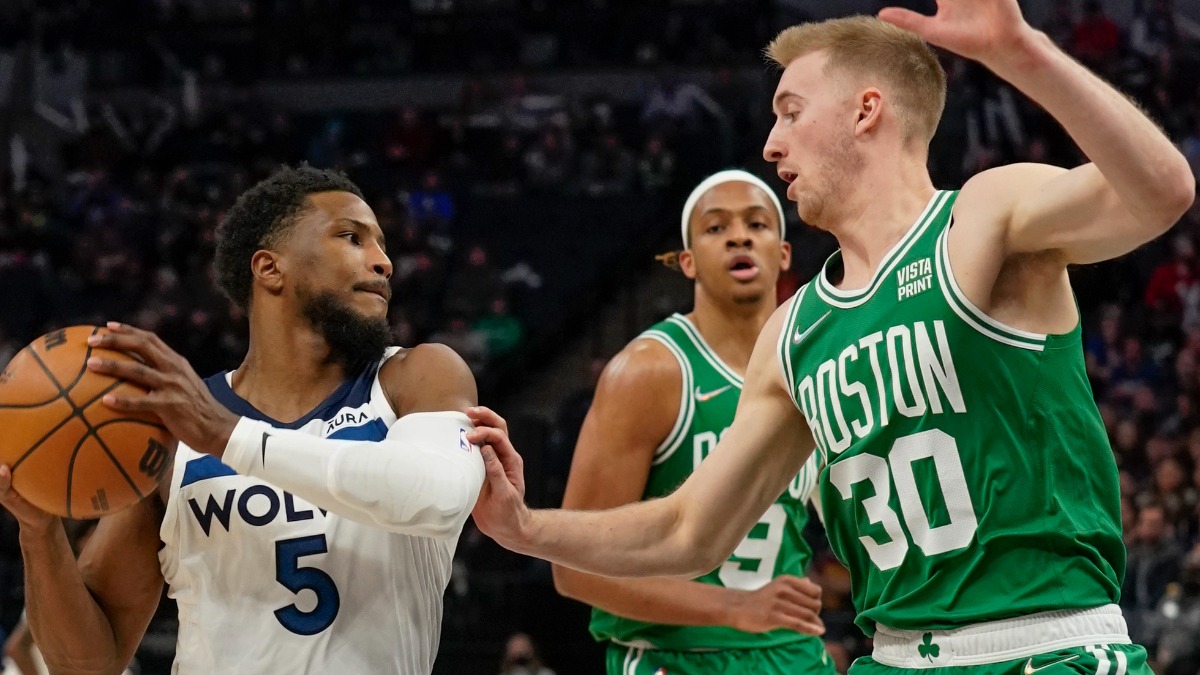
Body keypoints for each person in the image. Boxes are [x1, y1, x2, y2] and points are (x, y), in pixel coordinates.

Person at [466, 4, 1196, 675]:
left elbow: (1161, 192)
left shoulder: (979, 218)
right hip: (894, 655)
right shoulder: (793, 330)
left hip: (1045, 645)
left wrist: (1025, 54)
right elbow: (690, 528)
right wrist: (526, 526)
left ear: (865, 111)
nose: (770, 142)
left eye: (790, 111)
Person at [0, 165, 486, 674]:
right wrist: (38, 532)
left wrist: (227, 436)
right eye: (352, 237)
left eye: (382, 244)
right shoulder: (172, 435)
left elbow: (440, 499)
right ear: (269, 268)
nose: (384, 262)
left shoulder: (416, 378)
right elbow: (85, 667)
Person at [554, 169, 833, 675]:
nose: (739, 236)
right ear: (687, 262)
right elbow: (574, 569)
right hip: (675, 658)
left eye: (757, 224)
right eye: (715, 228)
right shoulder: (648, 372)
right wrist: (735, 609)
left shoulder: (812, 366)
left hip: (792, 654)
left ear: (784, 253)